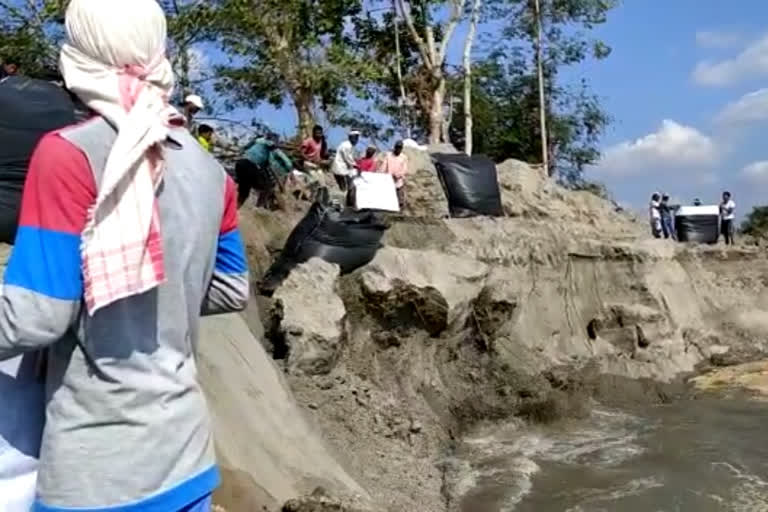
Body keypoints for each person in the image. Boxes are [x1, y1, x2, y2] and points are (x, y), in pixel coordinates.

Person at [0, 2, 249, 511]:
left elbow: (35, 317)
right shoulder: (210, 171)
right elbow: (230, 288)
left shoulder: (69, 153)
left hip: (100, 475)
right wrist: (159, 290)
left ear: (79, 53)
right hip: (188, 460)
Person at [332, 130, 361, 205]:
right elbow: (348, 159)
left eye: (357, 138)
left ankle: (341, 204)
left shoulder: (347, 145)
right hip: (340, 170)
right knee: (343, 189)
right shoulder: (347, 146)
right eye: (355, 138)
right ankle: (340, 204)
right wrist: (356, 166)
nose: (356, 140)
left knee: (344, 188)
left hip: (342, 169)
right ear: (351, 137)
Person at [379, 140, 409, 207]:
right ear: (395, 147)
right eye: (397, 147)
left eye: (400, 148)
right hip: (389, 180)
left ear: (401, 148)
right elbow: (384, 166)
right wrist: (381, 174)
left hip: (398, 181)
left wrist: (398, 175)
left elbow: (405, 169)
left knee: (400, 200)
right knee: (388, 199)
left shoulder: (404, 157)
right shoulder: (388, 155)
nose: (398, 149)